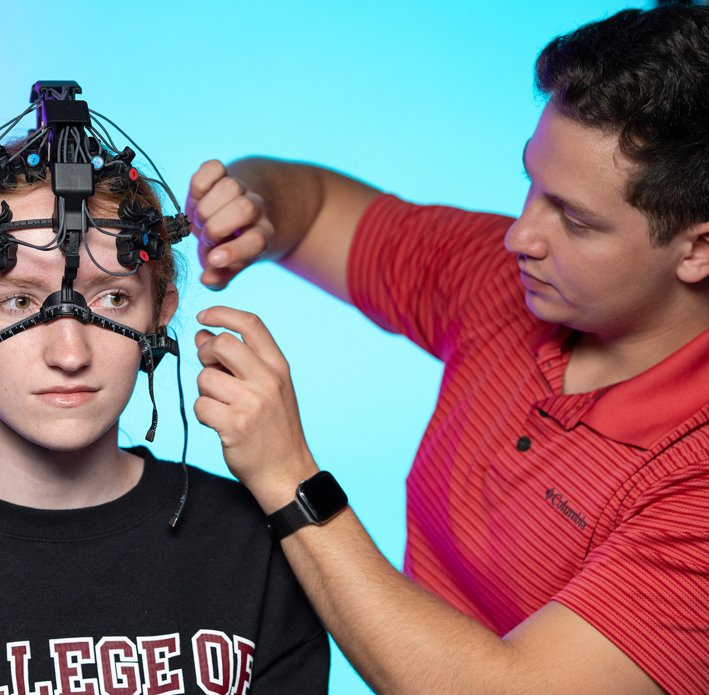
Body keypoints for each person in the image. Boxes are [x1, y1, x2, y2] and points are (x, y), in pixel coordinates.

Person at [186, 5, 709, 695]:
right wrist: (250, 206)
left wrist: (290, 479)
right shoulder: (507, 281)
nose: (521, 234)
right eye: (531, 182)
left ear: (698, 247)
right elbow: (307, 208)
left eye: (575, 220)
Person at [0, 91, 329, 694]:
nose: (69, 354)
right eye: (19, 300)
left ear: (160, 316)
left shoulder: (251, 553)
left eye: (112, 298)